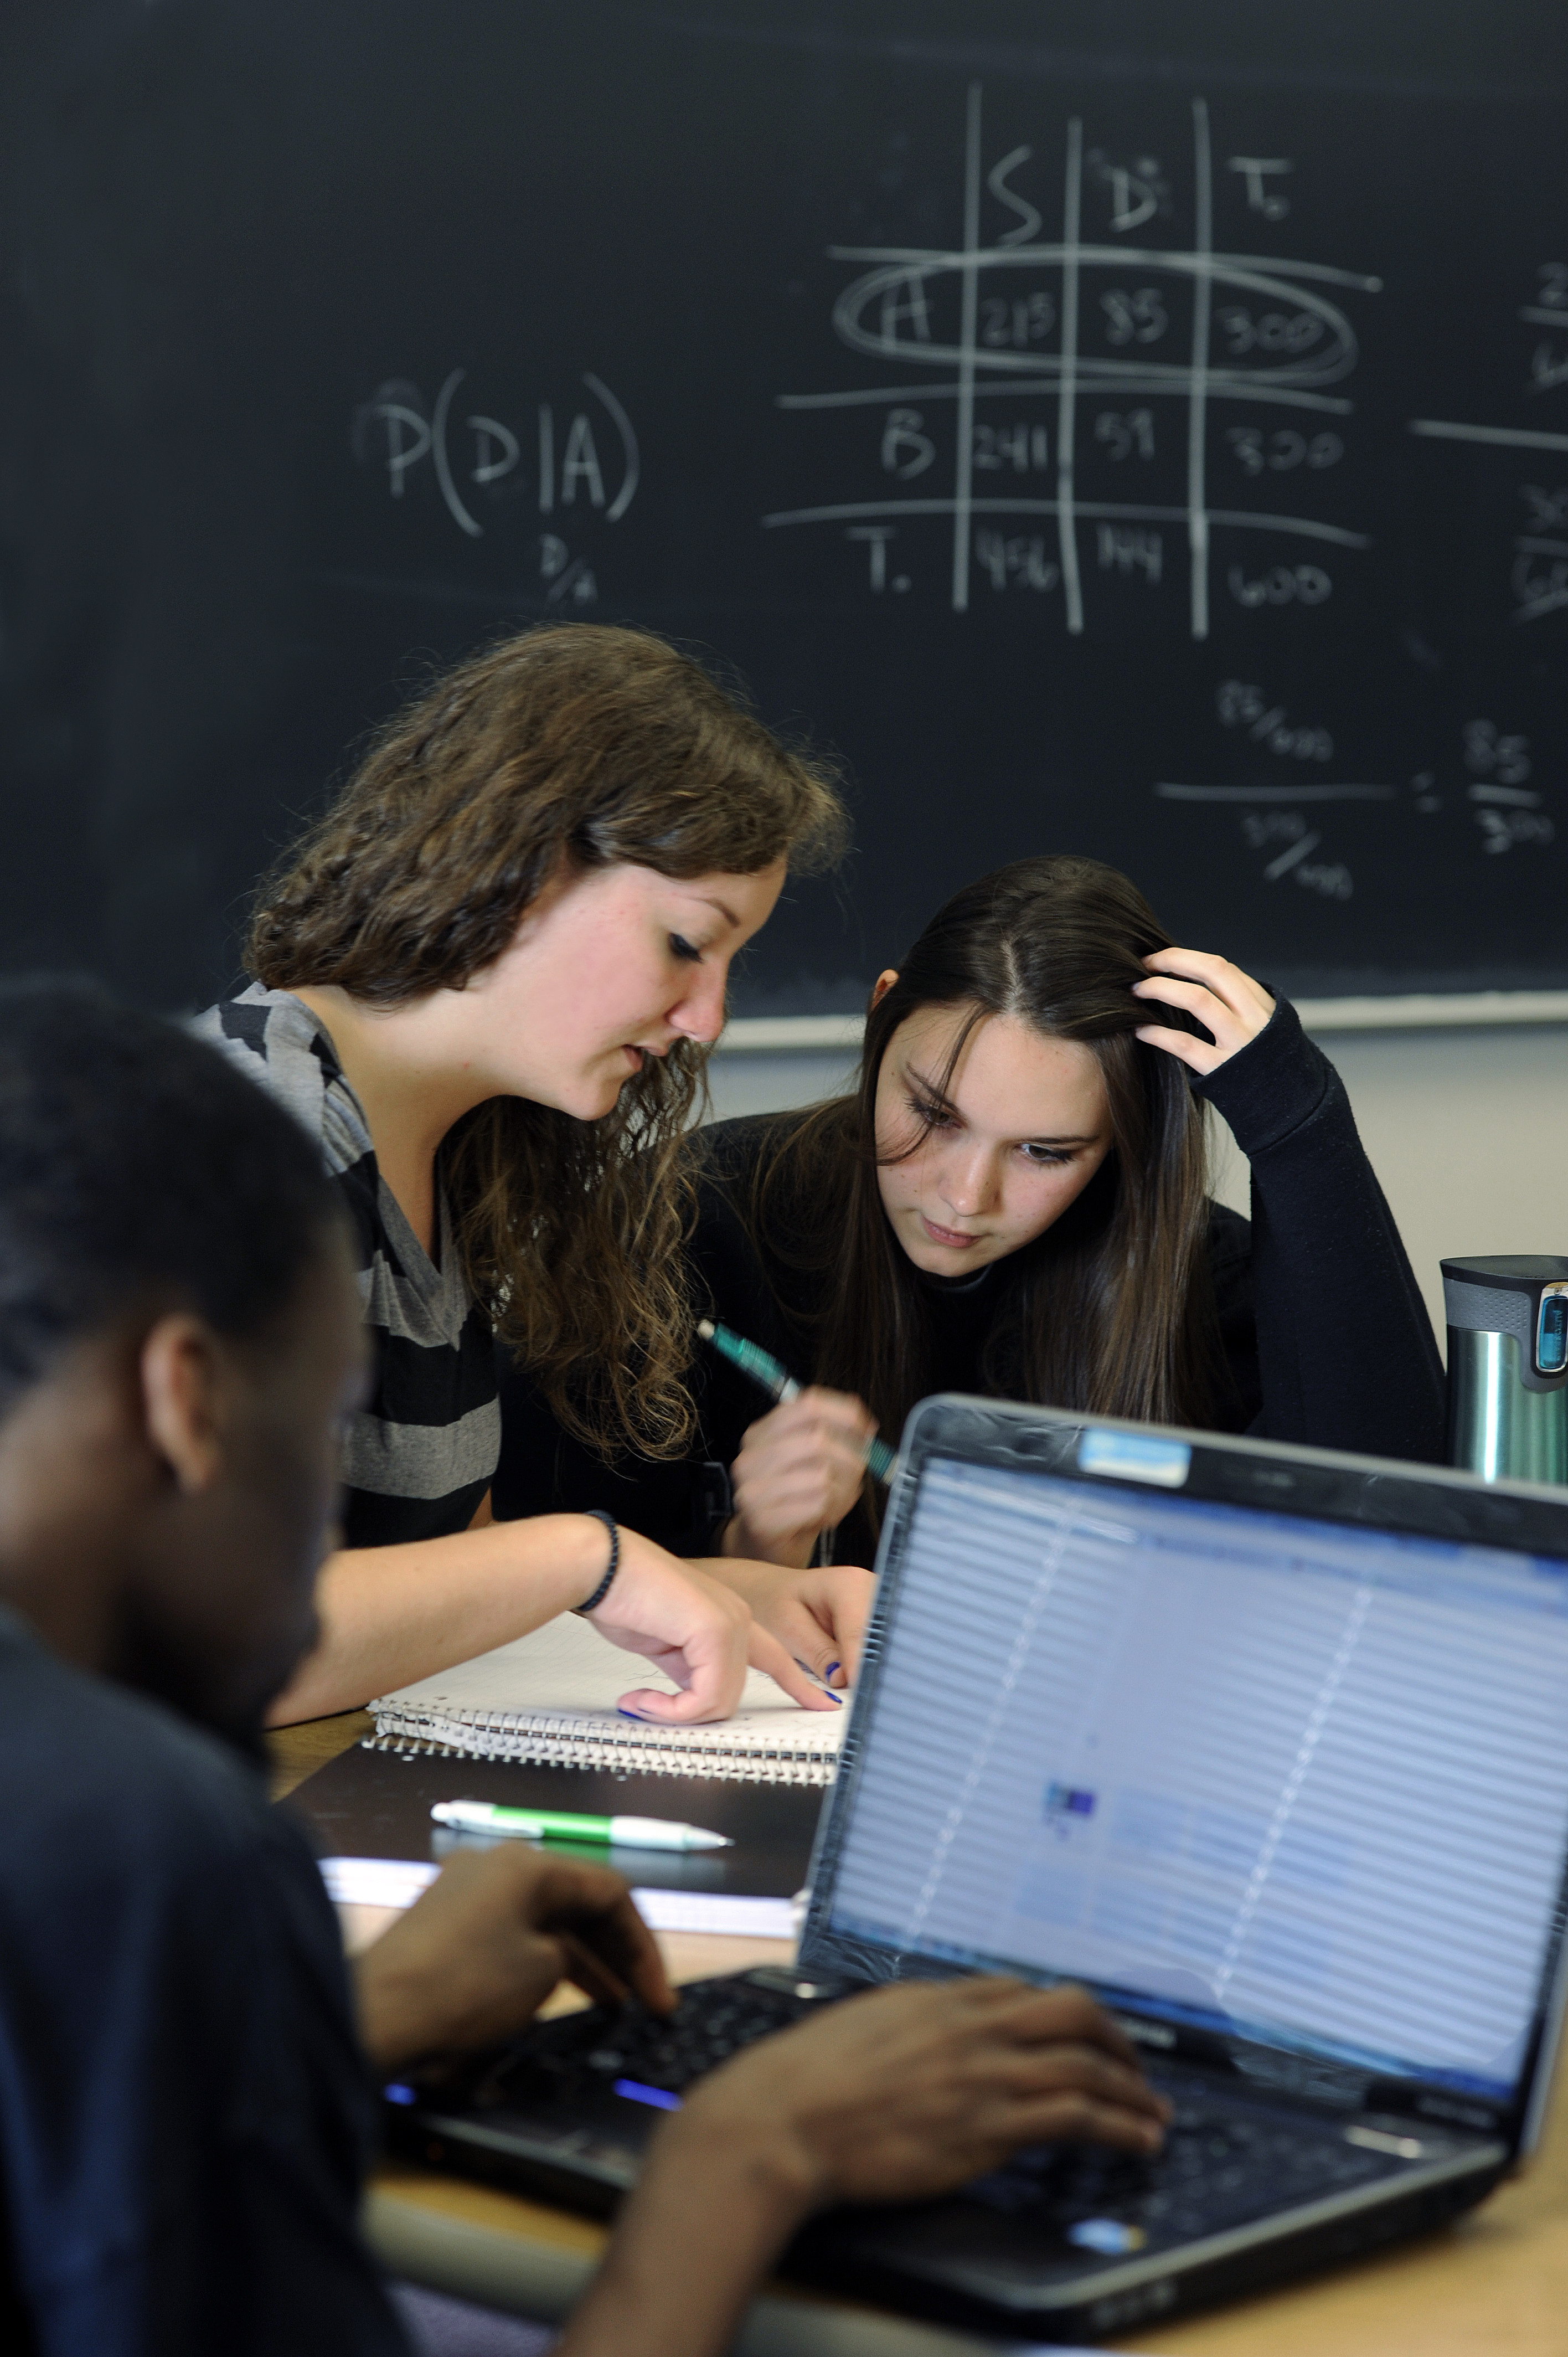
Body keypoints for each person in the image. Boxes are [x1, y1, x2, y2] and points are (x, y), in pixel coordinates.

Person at [0, 981, 1169, 2356]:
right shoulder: (137, 1846)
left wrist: (350, 2018)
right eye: (324, 1430)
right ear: (185, 1400)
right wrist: (754, 2144)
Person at [194, 621, 874, 1722]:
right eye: (688, 945)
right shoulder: (258, 1138)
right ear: (523, 867)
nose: (708, 1020)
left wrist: (725, 1589)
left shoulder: (452, 1147)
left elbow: (430, 1571)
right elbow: (232, 1640)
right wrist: (590, 1559)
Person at [494, 853, 1445, 1571]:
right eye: (932, 1115)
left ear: (1120, 1141)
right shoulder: (686, 1217)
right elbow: (536, 1583)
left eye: (1046, 1152)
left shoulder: (1193, 1274)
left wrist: (1301, 1127)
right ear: (881, 1019)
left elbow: (1391, 1523)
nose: (963, 1196)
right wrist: (751, 1546)